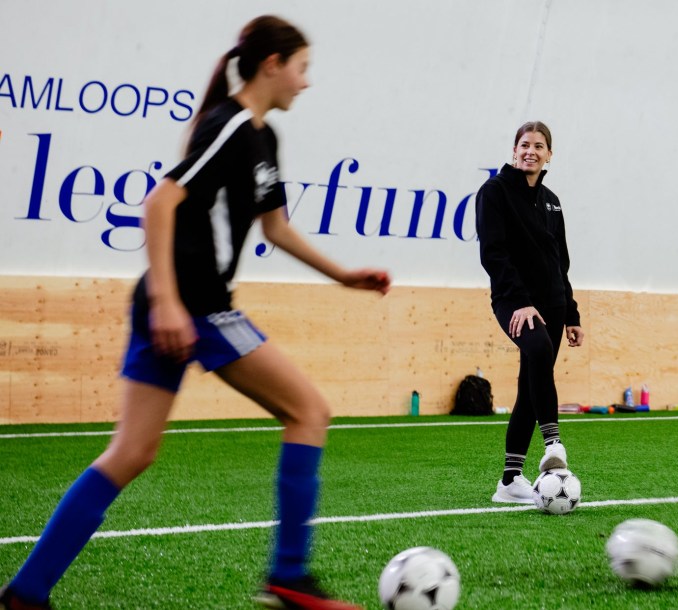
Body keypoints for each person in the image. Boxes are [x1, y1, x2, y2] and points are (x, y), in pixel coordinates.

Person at [0, 16, 389, 610]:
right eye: (303, 68)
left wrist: (343, 276)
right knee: (308, 411)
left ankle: (25, 593)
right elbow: (161, 200)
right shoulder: (229, 124)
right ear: (272, 65)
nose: (307, 83)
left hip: (201, 309)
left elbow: (275, 226)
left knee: (133, 452)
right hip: (191, 309)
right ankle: (287, 577)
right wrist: (166, 301)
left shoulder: (264, 137)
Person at [476, 121, 585, 504]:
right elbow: (494, 253)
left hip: (553, 304)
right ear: (513, 150)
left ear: (549, 154)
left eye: (539, 146)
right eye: (524, 144)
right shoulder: (494, 192)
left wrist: (572, 314)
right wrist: (520, 300)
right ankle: (554, 444)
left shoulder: (552, 200)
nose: (531, 151)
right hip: (514, 300)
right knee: (537, 351)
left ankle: (509, 481)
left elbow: (561, 262)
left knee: (530, 386)